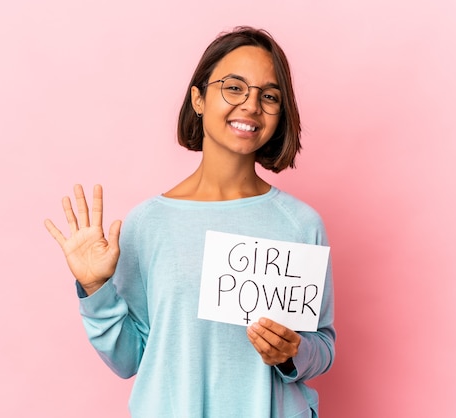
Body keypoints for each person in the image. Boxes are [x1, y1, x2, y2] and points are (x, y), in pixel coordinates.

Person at [45, 26, 335, 418]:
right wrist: (96, 287)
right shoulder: (149, 223)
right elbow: (131, 358)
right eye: (234, 88)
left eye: (268, 96)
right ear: (198, 98)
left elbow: (323, 346)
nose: (250, 105)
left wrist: (293, 352)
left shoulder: (301, 224)